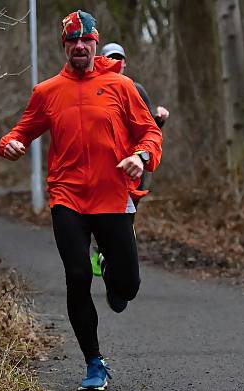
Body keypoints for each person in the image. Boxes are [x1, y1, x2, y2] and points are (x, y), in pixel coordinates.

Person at [0, 10, 162, 391]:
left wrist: (141, 157)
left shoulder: (121, 87)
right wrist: (9, 145)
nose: (80, 47)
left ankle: (108, 260)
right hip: (67, 197)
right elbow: (18, 132)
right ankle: (94, 362)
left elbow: (150, 132)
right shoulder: (48, 92)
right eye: (73, 42)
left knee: (129, 287)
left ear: (96, 43)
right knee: (76, 277)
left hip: (113, 195)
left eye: (86, 41)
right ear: (65, 47)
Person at [89, 42, 170, 276]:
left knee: (126, 217)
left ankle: (117, 264)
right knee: (100, 214)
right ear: (100, 60)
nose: (115, 62)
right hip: (104, 165)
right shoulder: (93, 89)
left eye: (119, 58)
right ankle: (102, 252)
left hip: (134, 165)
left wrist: (160, 120)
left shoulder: (136, 89)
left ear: (125, 63)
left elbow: (149, 130)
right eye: (110, 57)